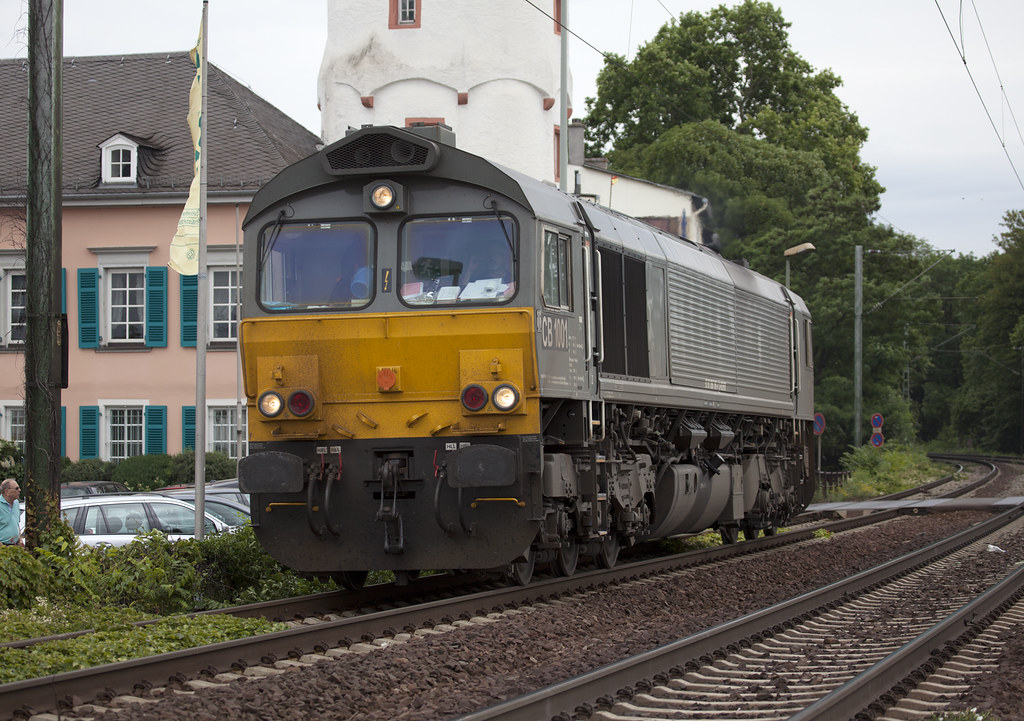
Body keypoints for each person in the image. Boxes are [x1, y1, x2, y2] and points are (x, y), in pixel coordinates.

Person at [1, 478, 23, 546]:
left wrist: (20, 539)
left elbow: (16, 524)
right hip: (2, 547)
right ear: (7, 491)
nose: (19, 490)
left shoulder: (16, 503)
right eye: (16, 488)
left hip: (15, 546)